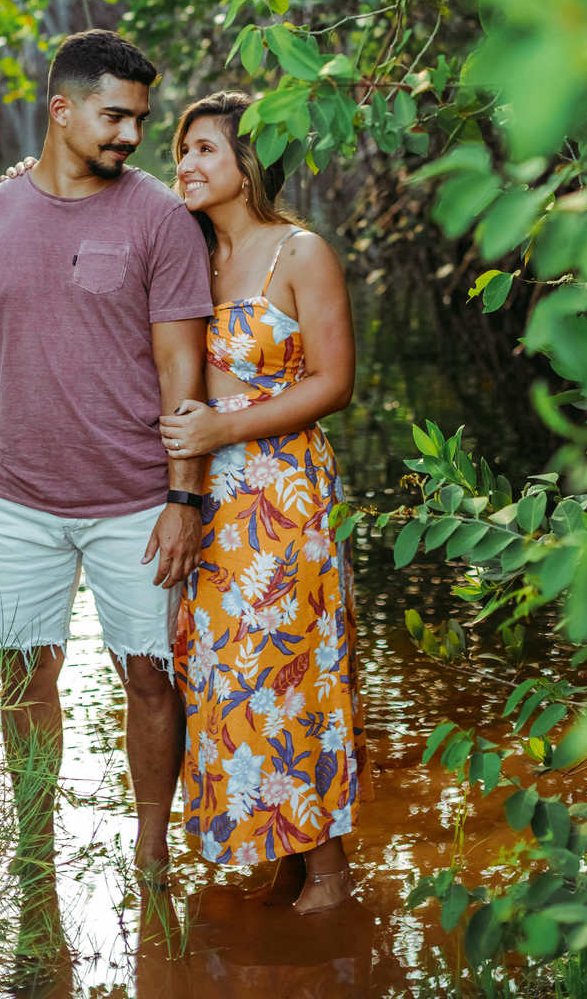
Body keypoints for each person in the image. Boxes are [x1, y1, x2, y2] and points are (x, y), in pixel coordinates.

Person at [0, 29, 213, 938]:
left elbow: (183, 370)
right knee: (24, 681)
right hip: (18, 499)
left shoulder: (160, 217)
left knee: (152, 679)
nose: (132, 134)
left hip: (136, 498)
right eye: (115, 115)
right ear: (62, 111)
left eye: (140, 118)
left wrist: (181, 498)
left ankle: (153, 856)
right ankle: (34, 855)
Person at [165, 91, 371, 913]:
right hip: (210, 503)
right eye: (180, 148)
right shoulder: (186, 250)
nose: (185, 162)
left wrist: (225, 429)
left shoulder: (298, 252)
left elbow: (336, 382)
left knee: (295, 671)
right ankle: (283, 856)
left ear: (248, 164)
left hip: (286, 502)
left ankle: (330, 876)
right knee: (225, 678)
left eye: (205, 149)